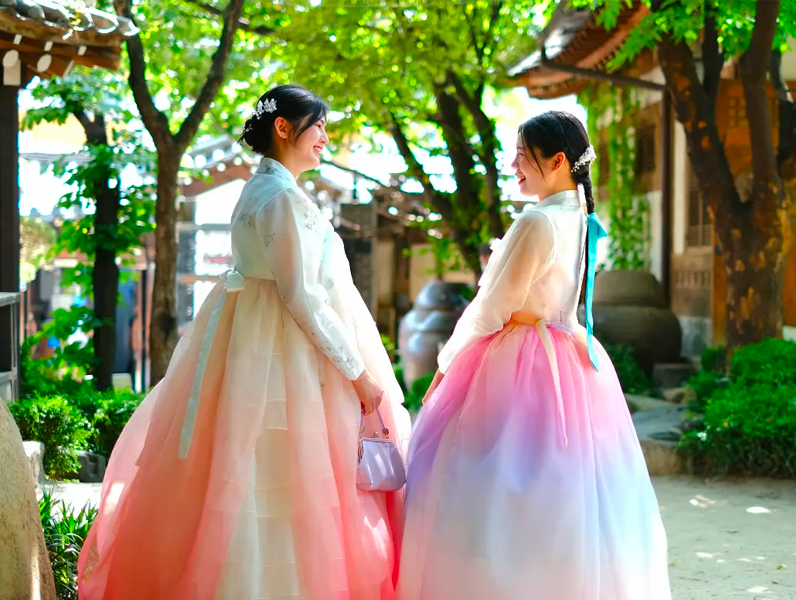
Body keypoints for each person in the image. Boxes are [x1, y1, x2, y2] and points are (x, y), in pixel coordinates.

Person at [78, 84, 411, 600]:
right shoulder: (277, 197)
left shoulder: (270, 189)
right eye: (317, 125)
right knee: (276, 475)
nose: (325, 136)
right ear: (284, 128)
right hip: (284, 356)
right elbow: (301, 295)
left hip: (262, 344)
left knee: (263, 477)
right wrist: (359, 374)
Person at [398, 111, 672, 600]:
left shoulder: (538, 221)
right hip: (571, 363)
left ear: (559, 160)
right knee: (569, 496)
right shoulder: (585, 221)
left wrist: (444, 368)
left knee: (482, 490)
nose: (514, 165)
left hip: (516, 360)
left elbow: (490, 310)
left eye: (523, 156)